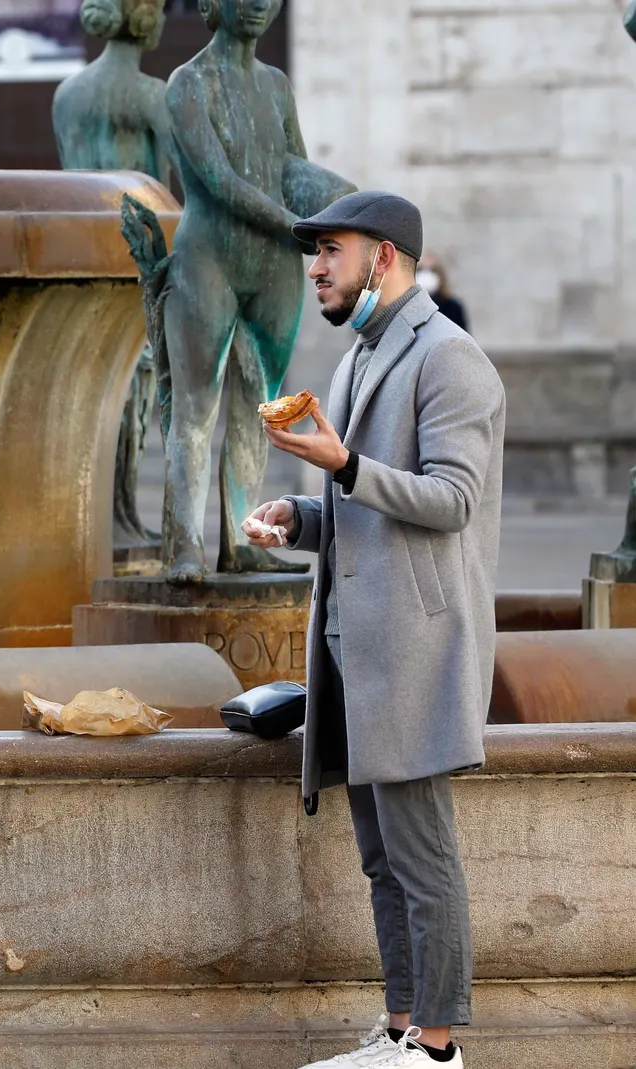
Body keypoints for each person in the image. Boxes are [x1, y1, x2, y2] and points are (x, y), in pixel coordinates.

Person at [245, 191, 504, 1069]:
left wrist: (346, 464)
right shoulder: (358, 359)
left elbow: (453, 500)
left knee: (424, 859)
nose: (315, 266)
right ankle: (398, 1031)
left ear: (383, 258)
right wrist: (298, 515)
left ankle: (436, 1049)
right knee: (382, 859)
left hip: (419, 650)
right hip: (357, 649)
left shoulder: (451, 358)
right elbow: (359, 508)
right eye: (312, 252)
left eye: (330, 250)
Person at [415, 254, 468, 332]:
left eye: (432, 270)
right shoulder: (411, 307)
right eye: (421, 270)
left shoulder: (453, 307)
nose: (426, 275)